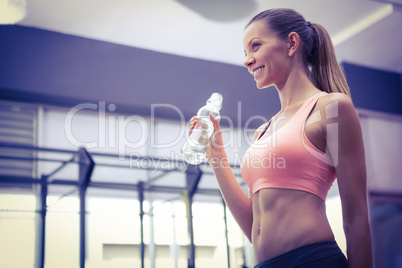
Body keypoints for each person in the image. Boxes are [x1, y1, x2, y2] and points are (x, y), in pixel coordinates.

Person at [190, 8, 372, 268]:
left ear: (291, 44)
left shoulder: (331, 108)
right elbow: (255, 224)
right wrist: (216, 155)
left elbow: (356, 216)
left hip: (313, 260)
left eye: (256, 46)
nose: (247, 60)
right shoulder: (262, 131)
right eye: (245, 52)